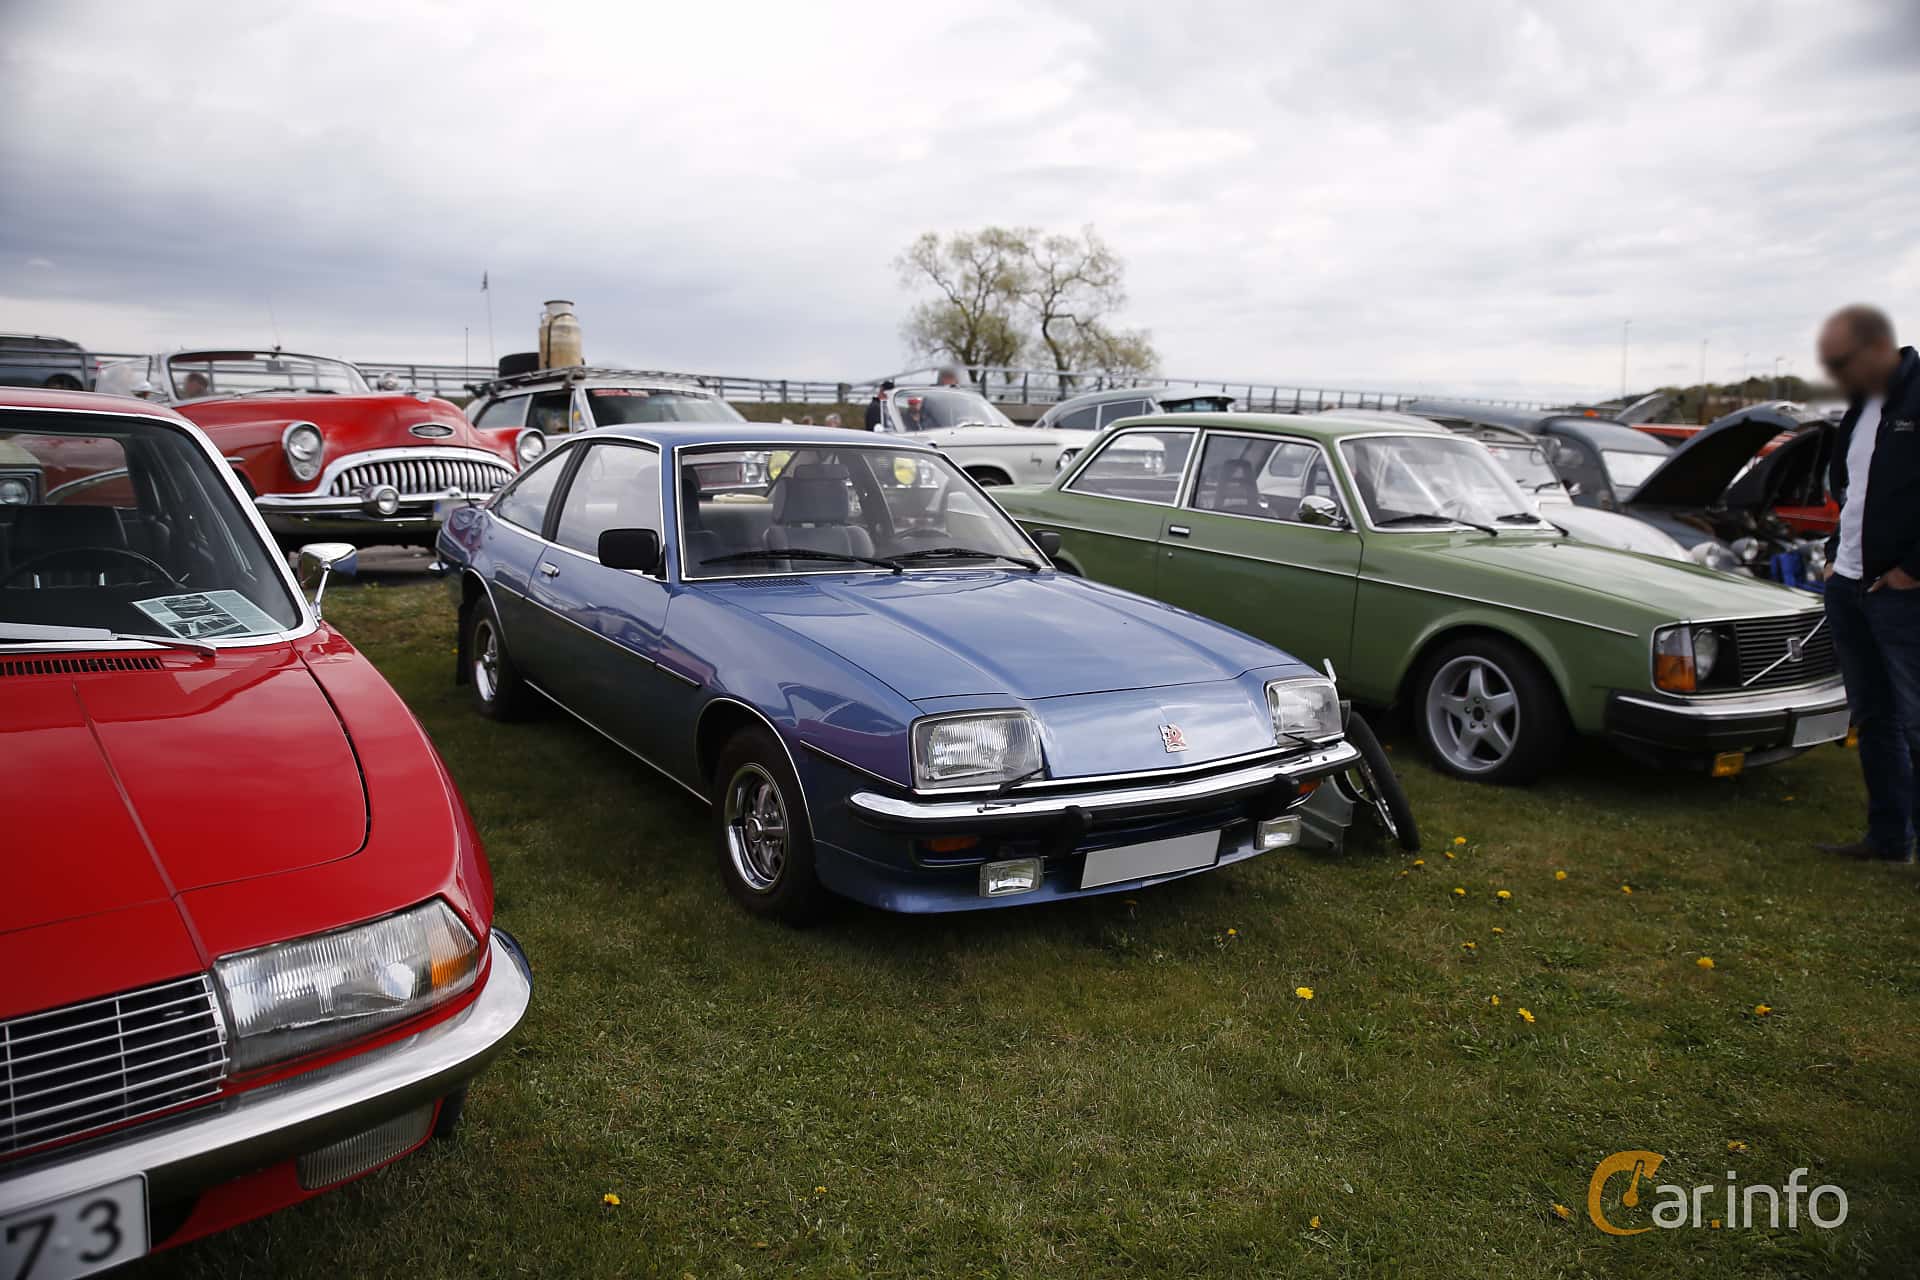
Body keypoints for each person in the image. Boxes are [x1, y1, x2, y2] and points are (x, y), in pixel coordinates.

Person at [1815, 304, 1920, 864]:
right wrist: (1834, 557)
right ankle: (1888, 839)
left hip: (1903, 593)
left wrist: (1910, 571)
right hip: (1849, 585)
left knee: (1916, 722)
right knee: (1874, 717)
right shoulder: (1860, 410)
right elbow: (1848, 490)